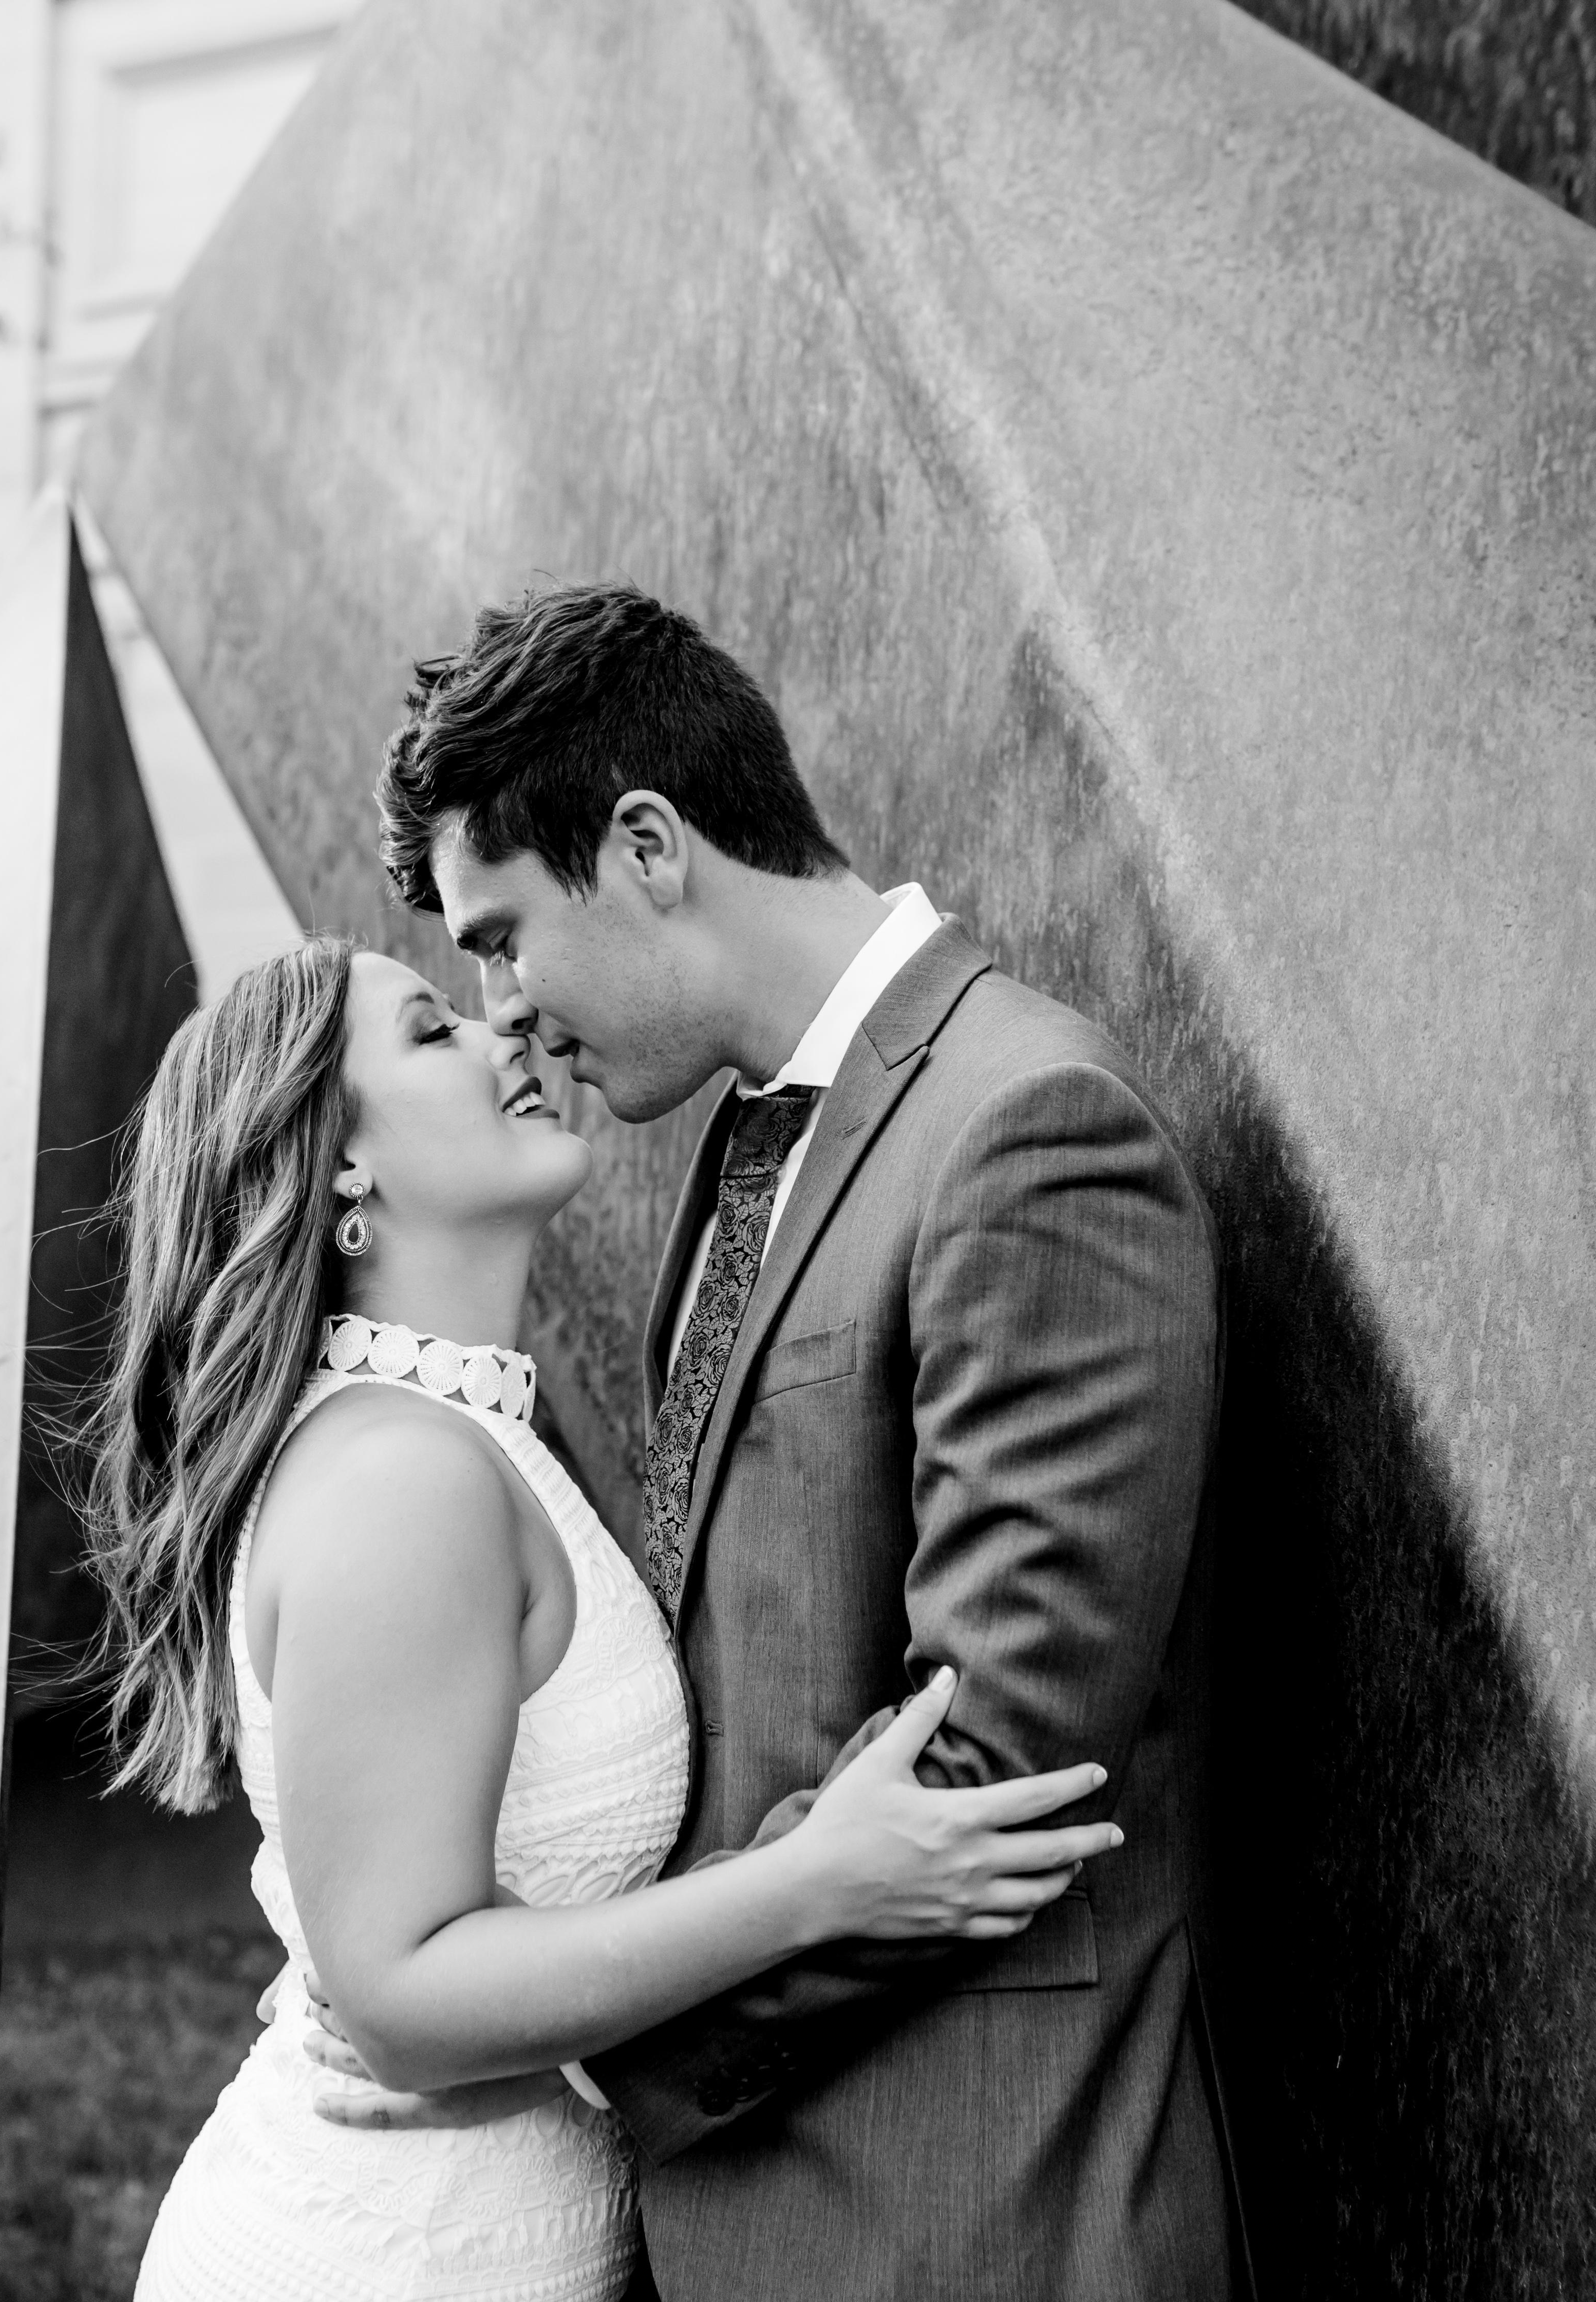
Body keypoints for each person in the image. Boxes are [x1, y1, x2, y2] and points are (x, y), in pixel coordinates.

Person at [336, 583, 1243, 2300]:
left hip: (980, 2215)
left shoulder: (1029, 1129)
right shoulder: (743, 1138)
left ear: (649, 846)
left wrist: (564, 2050)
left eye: (506, 935)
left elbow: (989, 1765)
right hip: (766, 2216)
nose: (504, 1006)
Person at [88, 931, 1124, 2302]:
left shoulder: (459, 1439)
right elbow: (405, 2002)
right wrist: (815, 1884)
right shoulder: (399, 1479)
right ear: (342, 1165)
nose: (502, 1033)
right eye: (432, 1032)